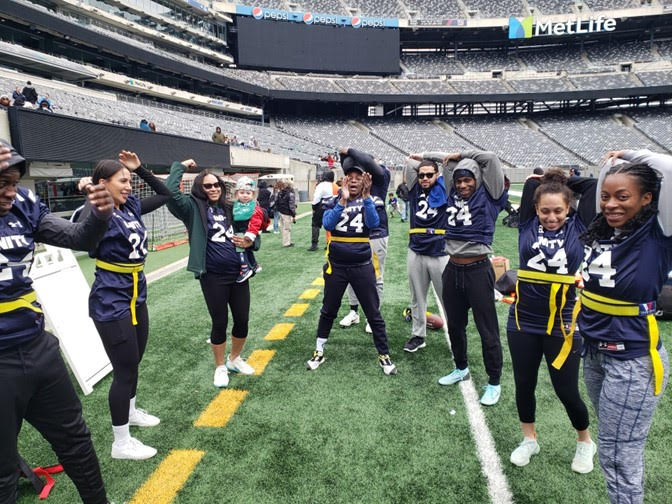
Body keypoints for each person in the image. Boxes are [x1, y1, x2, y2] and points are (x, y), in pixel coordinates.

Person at [0, 140, 112, 503]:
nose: (11, 191)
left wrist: (98, 215)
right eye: (2, 182)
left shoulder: (23, 204)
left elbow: (77, 237)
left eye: (14, 182)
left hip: (37, 347)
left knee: (75, 441)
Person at [580, 150, 672, 504]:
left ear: (647, 198)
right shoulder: (605, 229)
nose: (610, 204)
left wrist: (633, 154)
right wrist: (610, 166)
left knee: (619, 455)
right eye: (606, 196)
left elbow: (669, 169)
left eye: (622, 197)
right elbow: (605, 191)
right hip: (595, 353)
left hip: (631, 361)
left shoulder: (657, 232)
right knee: (614, 444)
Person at [77, 151, 171, 461]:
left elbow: (165, 195)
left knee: (134, 361)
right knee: (124, 369)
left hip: (136, 294)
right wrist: (90, 191)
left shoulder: (129, 206)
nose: (129, 186)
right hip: (111, 299)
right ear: (103, 183)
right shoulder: (98, 211)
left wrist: (139, 169)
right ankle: (121, 442)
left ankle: (130, 412)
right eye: (123, 181)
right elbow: (85, 230)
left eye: (129, 181)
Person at [507, 169, 597, 471]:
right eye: (545, 210)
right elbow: (532, 184)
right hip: (522, 319)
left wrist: (562, 181)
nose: (551, 216)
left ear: (568, 207)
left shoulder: (579, 226)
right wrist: (548, 180)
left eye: (558, 210)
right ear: (535, 209)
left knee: (566, 390)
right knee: (524, 384)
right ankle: (529, 439)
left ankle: (585, 442)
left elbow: (593, 185)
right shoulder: (527, 223)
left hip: (563, 322)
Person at [166, 160, 256, 389]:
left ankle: (234, 358)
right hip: (213, 276)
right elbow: (169, 193)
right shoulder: (192, 208)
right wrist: (180, 167)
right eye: (208, 186)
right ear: (199, 188)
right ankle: (220, 366)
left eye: (216, 185)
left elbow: (250, 230)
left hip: (239, 273)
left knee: (242, 319)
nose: (214, 188)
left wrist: (251, 241)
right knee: (219, 321)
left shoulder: (230, 207)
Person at [427, 150, 507, 406]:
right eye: (459, 180)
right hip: (452, 268)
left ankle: (494, 381)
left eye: (468, 180)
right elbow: (445, 163)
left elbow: (490, 159)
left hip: (478, 270)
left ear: (477, 179)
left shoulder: (490, 195)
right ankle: (461, 368)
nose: (462, 185)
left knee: (487, 330)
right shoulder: (452, 192)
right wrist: (440, 158)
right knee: (455, 326)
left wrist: (462, 154)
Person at [306, 160, 396, 375]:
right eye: (350, 177)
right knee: (329, 309)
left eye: (358, 177)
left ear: (365, 181)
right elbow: (328, 224)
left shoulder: (371, 200)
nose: (354, 181)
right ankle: (319, 350)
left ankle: (384, 354)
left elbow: (373, 224)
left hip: (362, 265)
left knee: (373, 311)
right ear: (344, 180)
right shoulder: (333, 200)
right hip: (336, 266)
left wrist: (366, 197)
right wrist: (342, 201)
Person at [337, 147, 390, 334]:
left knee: (376, 278)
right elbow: (347, 166)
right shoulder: (355, 180)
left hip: (376, 235)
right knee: (351, 275)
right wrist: (343, 156)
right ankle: (354, 311)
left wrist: (348, 150)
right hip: (356, 235)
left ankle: (373, 315)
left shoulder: (381, 178)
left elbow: (367, 162)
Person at [403, 157, 449, 353]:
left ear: (437, 175)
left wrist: (425, 156)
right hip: (416, 250)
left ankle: (456, 335)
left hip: (440, 251)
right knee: (417, 297)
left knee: (447, 298)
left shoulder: (446, 188)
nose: (425, 178)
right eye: (421, 175)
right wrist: (421, 163)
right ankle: (418, 335)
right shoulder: (415, 189)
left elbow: (448, 163)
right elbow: (409, 163)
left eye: (430, 175)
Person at [232, 176, 264, 282]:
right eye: (242, 192)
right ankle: (254, 264)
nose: (245, 195)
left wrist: (250, 235)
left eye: (248, 193)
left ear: (253, 194)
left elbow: (256, 222)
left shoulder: (254, 207)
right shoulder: (235, 206)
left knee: (240, 249)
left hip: (247, 232)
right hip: (237, 231)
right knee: (246, 250)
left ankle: (245, 268)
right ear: (236, 193)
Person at [309, 171, 335, 251]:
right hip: (332, 205)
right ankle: (330, 243)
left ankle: (314, 244)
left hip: (321, 205)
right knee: (331, 225)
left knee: (315, 225)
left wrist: (314, 206)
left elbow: (317, 197)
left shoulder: (321, 185)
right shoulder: (334, 185)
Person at [275, 179, 296, 247]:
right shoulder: (290, 194)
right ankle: (286, 243)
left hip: (281, 212)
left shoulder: (280, 192)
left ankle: (287, 241)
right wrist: (293, 214)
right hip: (287, 213)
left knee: (283, 228)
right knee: (287, 228)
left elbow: (276, 202)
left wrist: (279, 209)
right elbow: (291, 205)